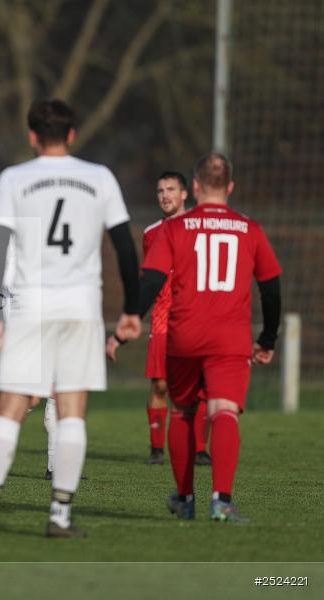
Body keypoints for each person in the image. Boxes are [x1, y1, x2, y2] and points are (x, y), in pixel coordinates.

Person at [0, 99, 141, 538]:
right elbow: (124, 247)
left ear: (32, 136)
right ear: (72, 134)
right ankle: (59, 516)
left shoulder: (14, 177)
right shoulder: (99, 177)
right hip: (80, 307)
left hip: (29, 305)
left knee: (10, 409)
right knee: (72, 412)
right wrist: (132, 309)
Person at [119, 152, 281, 522]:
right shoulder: (250, 229)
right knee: (224, 410)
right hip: (231, 337)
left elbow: (151, 281)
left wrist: (129, 320)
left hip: (185, 334)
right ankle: (221, 501)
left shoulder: (175, 229)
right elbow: (271, 290)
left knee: (183, 411)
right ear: (231, 187)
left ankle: (185, 498)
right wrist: (268, 339)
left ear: (193, 187)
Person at [140, 172, 212, 466]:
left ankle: (200, 449)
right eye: (160, 191)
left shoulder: (202, 227)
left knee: (201, 387)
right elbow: (150, 279)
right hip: (162, 318)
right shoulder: (151, 233)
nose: (165, 196)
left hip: (196, 317)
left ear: (185, 194)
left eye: (171, 189)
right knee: (160, 385)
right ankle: (157, 449)